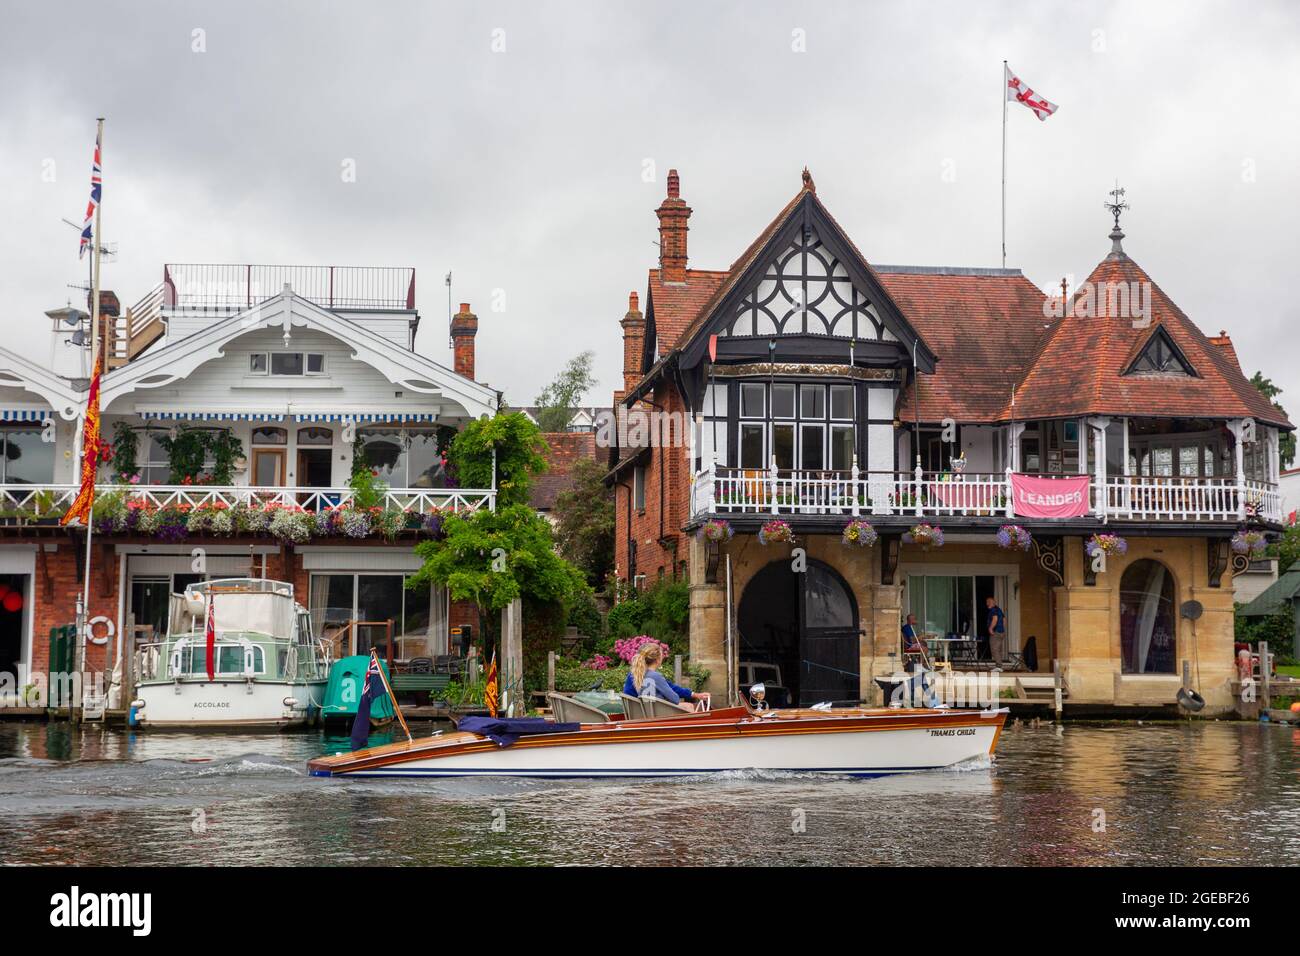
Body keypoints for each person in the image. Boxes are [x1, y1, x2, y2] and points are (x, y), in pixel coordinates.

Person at [623, 642, 701, 706]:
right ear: (658, 660)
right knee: (689, 706)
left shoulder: (633, 675)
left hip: (640, 713)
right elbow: (675, 699)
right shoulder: (656, 676)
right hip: (657, 714)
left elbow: (629, 698)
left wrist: (692, 694)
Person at [986, 596, 1006, 663]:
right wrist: (1002, 628)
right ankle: (999, 665)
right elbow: (1004, 619)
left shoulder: (993, 610)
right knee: (998, 649)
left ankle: (999, 666)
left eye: (988, 602)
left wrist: (991, 628)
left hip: (996, 632)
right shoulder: (999, 609)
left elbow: (995, 619)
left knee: (994, 649)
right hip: (1001, 632)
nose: (987, 604)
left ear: (990, 603)